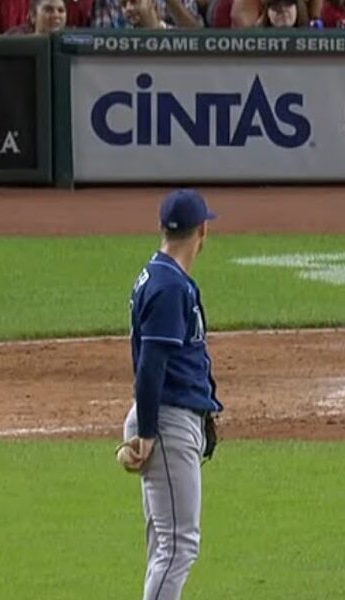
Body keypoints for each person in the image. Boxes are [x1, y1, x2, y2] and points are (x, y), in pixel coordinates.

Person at [117, 189, 224, 600]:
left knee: (165, 545)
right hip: (165, 420)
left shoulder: (161, 275)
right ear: (203, 231)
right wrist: (147, 432)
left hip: (168, 416)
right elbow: (151, 364)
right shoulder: (168, 286)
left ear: (163, 228)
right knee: (179, 546)